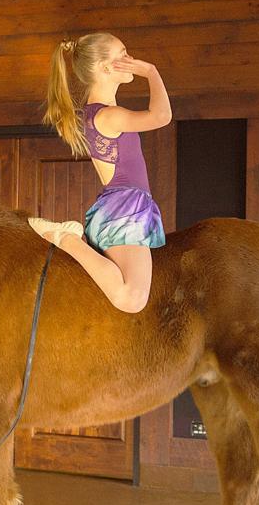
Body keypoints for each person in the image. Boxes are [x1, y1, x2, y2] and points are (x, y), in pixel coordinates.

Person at [31, 33, 171, 314]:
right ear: (104, 67)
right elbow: (161, 116)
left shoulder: (97, 113)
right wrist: (151, 72)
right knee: (132, 298)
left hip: (120, 205)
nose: (131, 59)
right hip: (125, 206)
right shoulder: (108, 115)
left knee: (133, 297)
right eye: (123, 53)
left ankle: (69, 240)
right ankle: (67, 240)